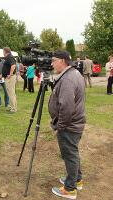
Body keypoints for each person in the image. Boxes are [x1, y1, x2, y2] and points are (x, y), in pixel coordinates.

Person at [48, 50, 86, 200]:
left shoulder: (68, 79)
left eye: (53, 60)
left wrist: (60, 127)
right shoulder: (73, 73)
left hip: (69, 126)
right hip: (74, 123)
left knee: (69, 155)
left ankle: (70, 189)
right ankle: (77, 179)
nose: (51, 63)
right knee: (72, 153)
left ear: (62, 61)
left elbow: (67, 107)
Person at [2, 47, 17, 113]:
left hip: (10, 78)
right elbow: (7, 68)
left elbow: (13, 66)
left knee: (11, 93)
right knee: (10, 93)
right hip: (8, 77)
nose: (3, 52)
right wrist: (1, 75)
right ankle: (12, 107)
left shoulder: (10, 57)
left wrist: (10, 74)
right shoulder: (8, 57)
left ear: (5, 51)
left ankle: (13, 109)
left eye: (3, 51)